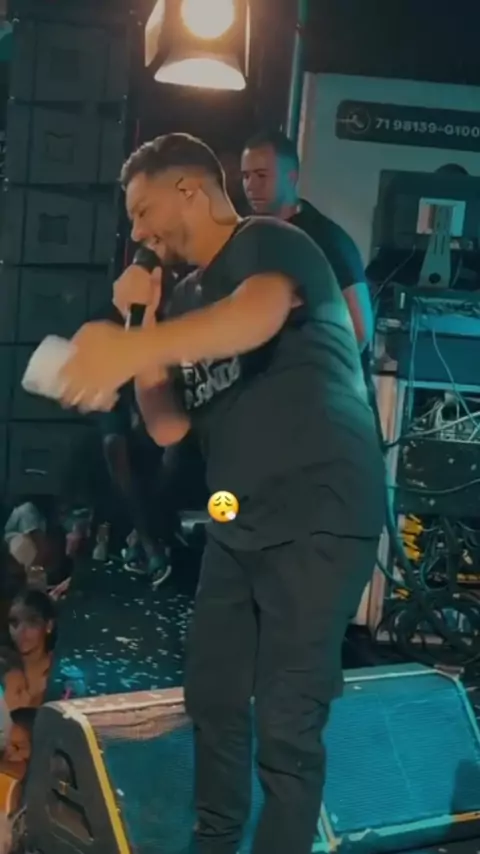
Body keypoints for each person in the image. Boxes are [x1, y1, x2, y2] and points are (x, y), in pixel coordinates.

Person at [56, 132, 385, 854]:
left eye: (143, 211)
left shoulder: (268, 241)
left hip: (322, 510)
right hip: (238, 520)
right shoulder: (181, 304)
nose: (138, 233)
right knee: (213, 695)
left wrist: (135, 346)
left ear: (189, 190)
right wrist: (143, 323)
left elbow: (259, 312)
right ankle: (215, 842)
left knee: (287, 719)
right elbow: (169, 426)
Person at [241, 129, 374, 353]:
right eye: (246, 176)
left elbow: (360, 332)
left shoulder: (327, 240)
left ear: (291, 177)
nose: (251, 186)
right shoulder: (248, 235)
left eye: (261, 175)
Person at [8, 591, 56, 707]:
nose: (20, 631)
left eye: (31, 622)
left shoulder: (61, 670)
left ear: (49, 625)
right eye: (14, 623)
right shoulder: (5, 669)